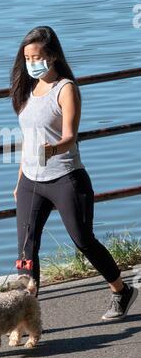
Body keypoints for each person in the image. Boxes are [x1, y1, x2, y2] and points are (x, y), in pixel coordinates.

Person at [9, 25, 138, 321]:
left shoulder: (65, 89)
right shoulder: (27, 90)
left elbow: (69, 136)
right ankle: (29, 317)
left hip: (66, 177)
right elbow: (27, 141)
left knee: (83, 239)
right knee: (26, 250)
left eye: (36, 56)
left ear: (52, 56)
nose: (31, 63)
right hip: (31, 180)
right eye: (27, 57)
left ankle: (121, 290)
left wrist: (51, 150)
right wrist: (19, 182)